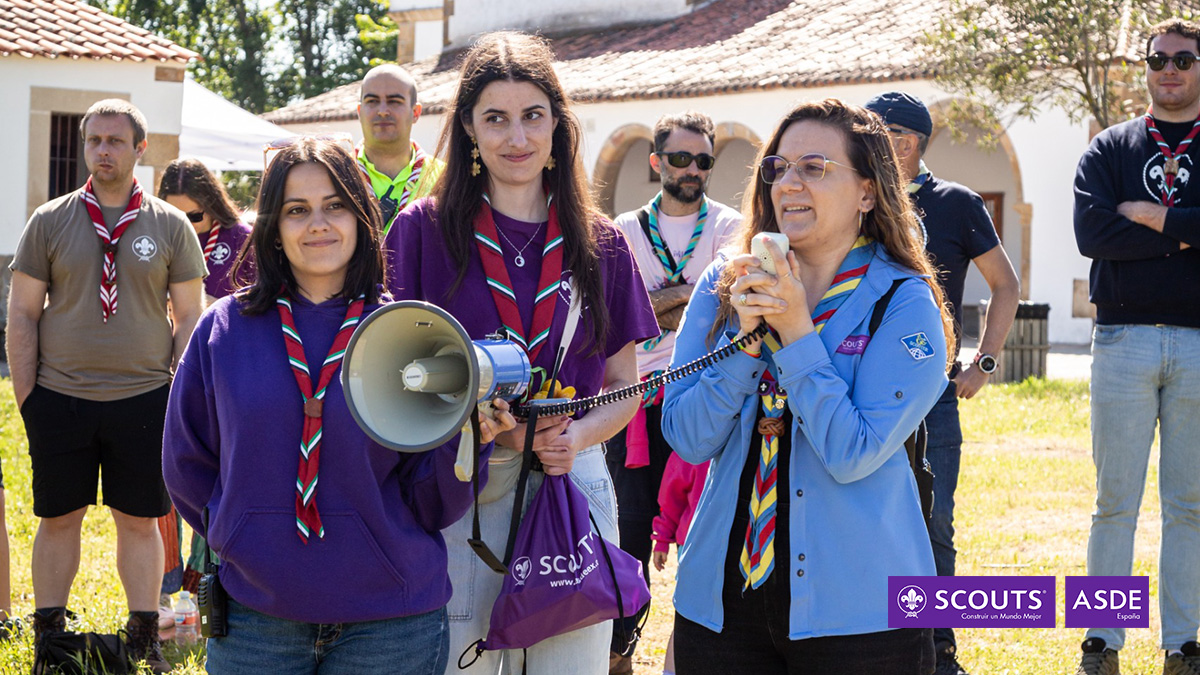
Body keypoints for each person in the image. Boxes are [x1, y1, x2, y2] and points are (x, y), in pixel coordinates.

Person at [162, 136, 516, 674]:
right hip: (258, 617)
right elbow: (186, 463)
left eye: (335, 206)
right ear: (272, 228)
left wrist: (469, 440)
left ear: (361, 218)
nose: (318, 224)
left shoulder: (412, 334)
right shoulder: (223, 330)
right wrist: (242, 538)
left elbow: (432, 505)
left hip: (390, 622)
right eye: (296, 210)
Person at [385, 31, 659, 674]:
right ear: (468, 128)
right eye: (496, 119)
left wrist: (576, 436)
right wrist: (479, 426)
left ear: (558, 125)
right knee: (462, 663)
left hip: (570, 476)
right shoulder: (422, 230)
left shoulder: (601, 242)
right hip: (462, 478)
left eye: (533, 116)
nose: (517, 138)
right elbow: (393, 375)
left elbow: (625, 382)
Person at [661, 98, 954, 674]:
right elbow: (688, 439)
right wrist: (744, 342)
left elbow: (851, 453)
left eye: (815, 168)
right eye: (779, 167)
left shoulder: (904, 301)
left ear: (867, 192)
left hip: (862, 612)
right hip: (721, 603)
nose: (789, 183)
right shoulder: (726, 283)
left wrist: (796, 332)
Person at [7, 99, 206, 672]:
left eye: (115, 141)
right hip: (59, 397)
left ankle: (142, 637)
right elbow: (22, 313)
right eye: (94, 140)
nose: (102, 151)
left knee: (140, 521)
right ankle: (49, 639)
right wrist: (29, 399)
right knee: (57, 519)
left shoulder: (169, 225)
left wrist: (175, 394)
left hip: (143, 399)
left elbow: (190, 317)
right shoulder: (50, 220)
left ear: (140, 148)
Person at [865, 91, 1020, 675]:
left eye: (873, 136)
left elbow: (1005, 284)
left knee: (934, 522)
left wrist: (986, 362)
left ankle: (939, 649)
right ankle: (868, 641)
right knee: (858, 516)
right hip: (860, 391)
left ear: (905, 143)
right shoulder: (855, 199)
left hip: (932, 396)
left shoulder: (957, 204)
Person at [1072, 18, 1200, 675]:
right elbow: (1092, 235)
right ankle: (1102, 641)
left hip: (1199, 342)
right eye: (1157, 59)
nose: (1168, 70)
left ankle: (1183, 643)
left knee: (1190, 506)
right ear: (1145, 67)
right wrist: (1187, 233)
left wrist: (1150, 216)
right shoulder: (1109, 148)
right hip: (1121, 338)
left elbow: (1120, 228)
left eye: (1183, 59)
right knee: (1113, 501)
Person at [606, 110, 741, 673]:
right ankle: (618, 651)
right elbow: (620, 313)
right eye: (681, 158)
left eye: (703, 160)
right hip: (632, 403)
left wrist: (654, 302)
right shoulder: (622, 229)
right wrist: (692, 295)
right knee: (629, 531)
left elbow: (725, 307)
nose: (693, 169)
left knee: (704, 527)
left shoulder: (731, 226)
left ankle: (692, 652)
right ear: (656, 162)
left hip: (702, 397)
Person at [357, 63, 445, 235]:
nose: (383, 111)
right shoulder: (337, 173)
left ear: (416, 112)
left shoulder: (445, 178)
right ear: (359, 112)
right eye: (372, 101)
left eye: (394, 101)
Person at [649, 453, 709, 675]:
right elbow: (671, 496)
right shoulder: (692, 447)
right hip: (693, 545)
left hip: (737, 545)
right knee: (687, 613)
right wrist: (662, 539)